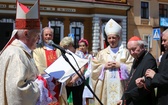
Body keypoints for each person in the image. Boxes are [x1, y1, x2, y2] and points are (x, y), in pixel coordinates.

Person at [0, 0, 51, 104]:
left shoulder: (20, 51)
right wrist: (39, 85)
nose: (39, 39)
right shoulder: (16, 54)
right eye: (37, 35)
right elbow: (18, 90)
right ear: (26, 34)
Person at [91, 18, 134, 105]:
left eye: (114, 38)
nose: (111, 40)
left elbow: (133, 68)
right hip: (105, 89)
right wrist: (103, 66)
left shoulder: (125, 52)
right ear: (107, 39)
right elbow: (93, 69)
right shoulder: (101, 53)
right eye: (109, 38)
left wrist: (121, 66)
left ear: (118, 38)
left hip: (121, 87)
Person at [117, 36, 157, 105]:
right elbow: (130, 81)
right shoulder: (136, 58)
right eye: (129, 50)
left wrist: (128, 97)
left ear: (142, 46)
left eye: (134, 49)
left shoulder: (149, 60)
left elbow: (148, 85)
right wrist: (123, 98)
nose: (132, 52)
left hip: (142, 101)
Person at [33, 27, 67, 105]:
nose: (48, 36)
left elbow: (62, 64)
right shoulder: (37, 49)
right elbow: (38, 65)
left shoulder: (58, 50)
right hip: (45, 81)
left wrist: (60, 77)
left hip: (57, 82)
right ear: (42, 36)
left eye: (50, 35)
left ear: (52, 36)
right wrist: (50, 76)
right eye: (46, 35)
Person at [145, 28, 168, 105]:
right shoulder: (165, 55)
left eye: (165, 40)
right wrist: (146, 79)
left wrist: (154, 76)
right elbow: (161, 73)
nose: (162, 43)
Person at [60, 37, 85, 105]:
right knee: (63, 101)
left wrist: (74, 79)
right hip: (67, 83)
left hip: (78, 83)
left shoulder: (80, 54)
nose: (64, 49)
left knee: (77, 102)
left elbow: (82, 69)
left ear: (70, 45)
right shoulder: (63, 55)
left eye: (65, 47)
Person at [78, 38, 93, 105]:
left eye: (83, 45)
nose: (81, 47)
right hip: (78, 76)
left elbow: (90, 67)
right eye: (80, 46)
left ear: (87, 46)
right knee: (78, 95)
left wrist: (85, 75)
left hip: (86, 77)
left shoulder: (89, 56)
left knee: (85, 95)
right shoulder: (77, 55)